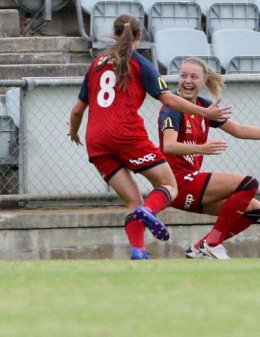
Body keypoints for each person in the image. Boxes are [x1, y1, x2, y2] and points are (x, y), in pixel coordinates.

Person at [68, 14, 231, 260]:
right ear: (139, 37)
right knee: (168, 185)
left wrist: (74, 131)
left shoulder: (96, 64)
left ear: (114, 34)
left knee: (131, 199)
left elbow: (78, 109)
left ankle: (139, 250)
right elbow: (167, 98)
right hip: (126, 134)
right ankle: (148, 210)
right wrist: (203, 110)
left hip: (96, 141)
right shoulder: (139, 63)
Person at [158, 57, 260, 259]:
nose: (187, 81)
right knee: (249, 183)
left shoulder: (205, 107)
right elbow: (168, 146)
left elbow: (238, 130)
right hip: (176, 183)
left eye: (194, 76)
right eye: (183, 75)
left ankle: (199, 248)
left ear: (204, 80)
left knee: (254, 209)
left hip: (193, 185)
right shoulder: (173, 108)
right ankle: (212, 244)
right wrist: (202, 148)